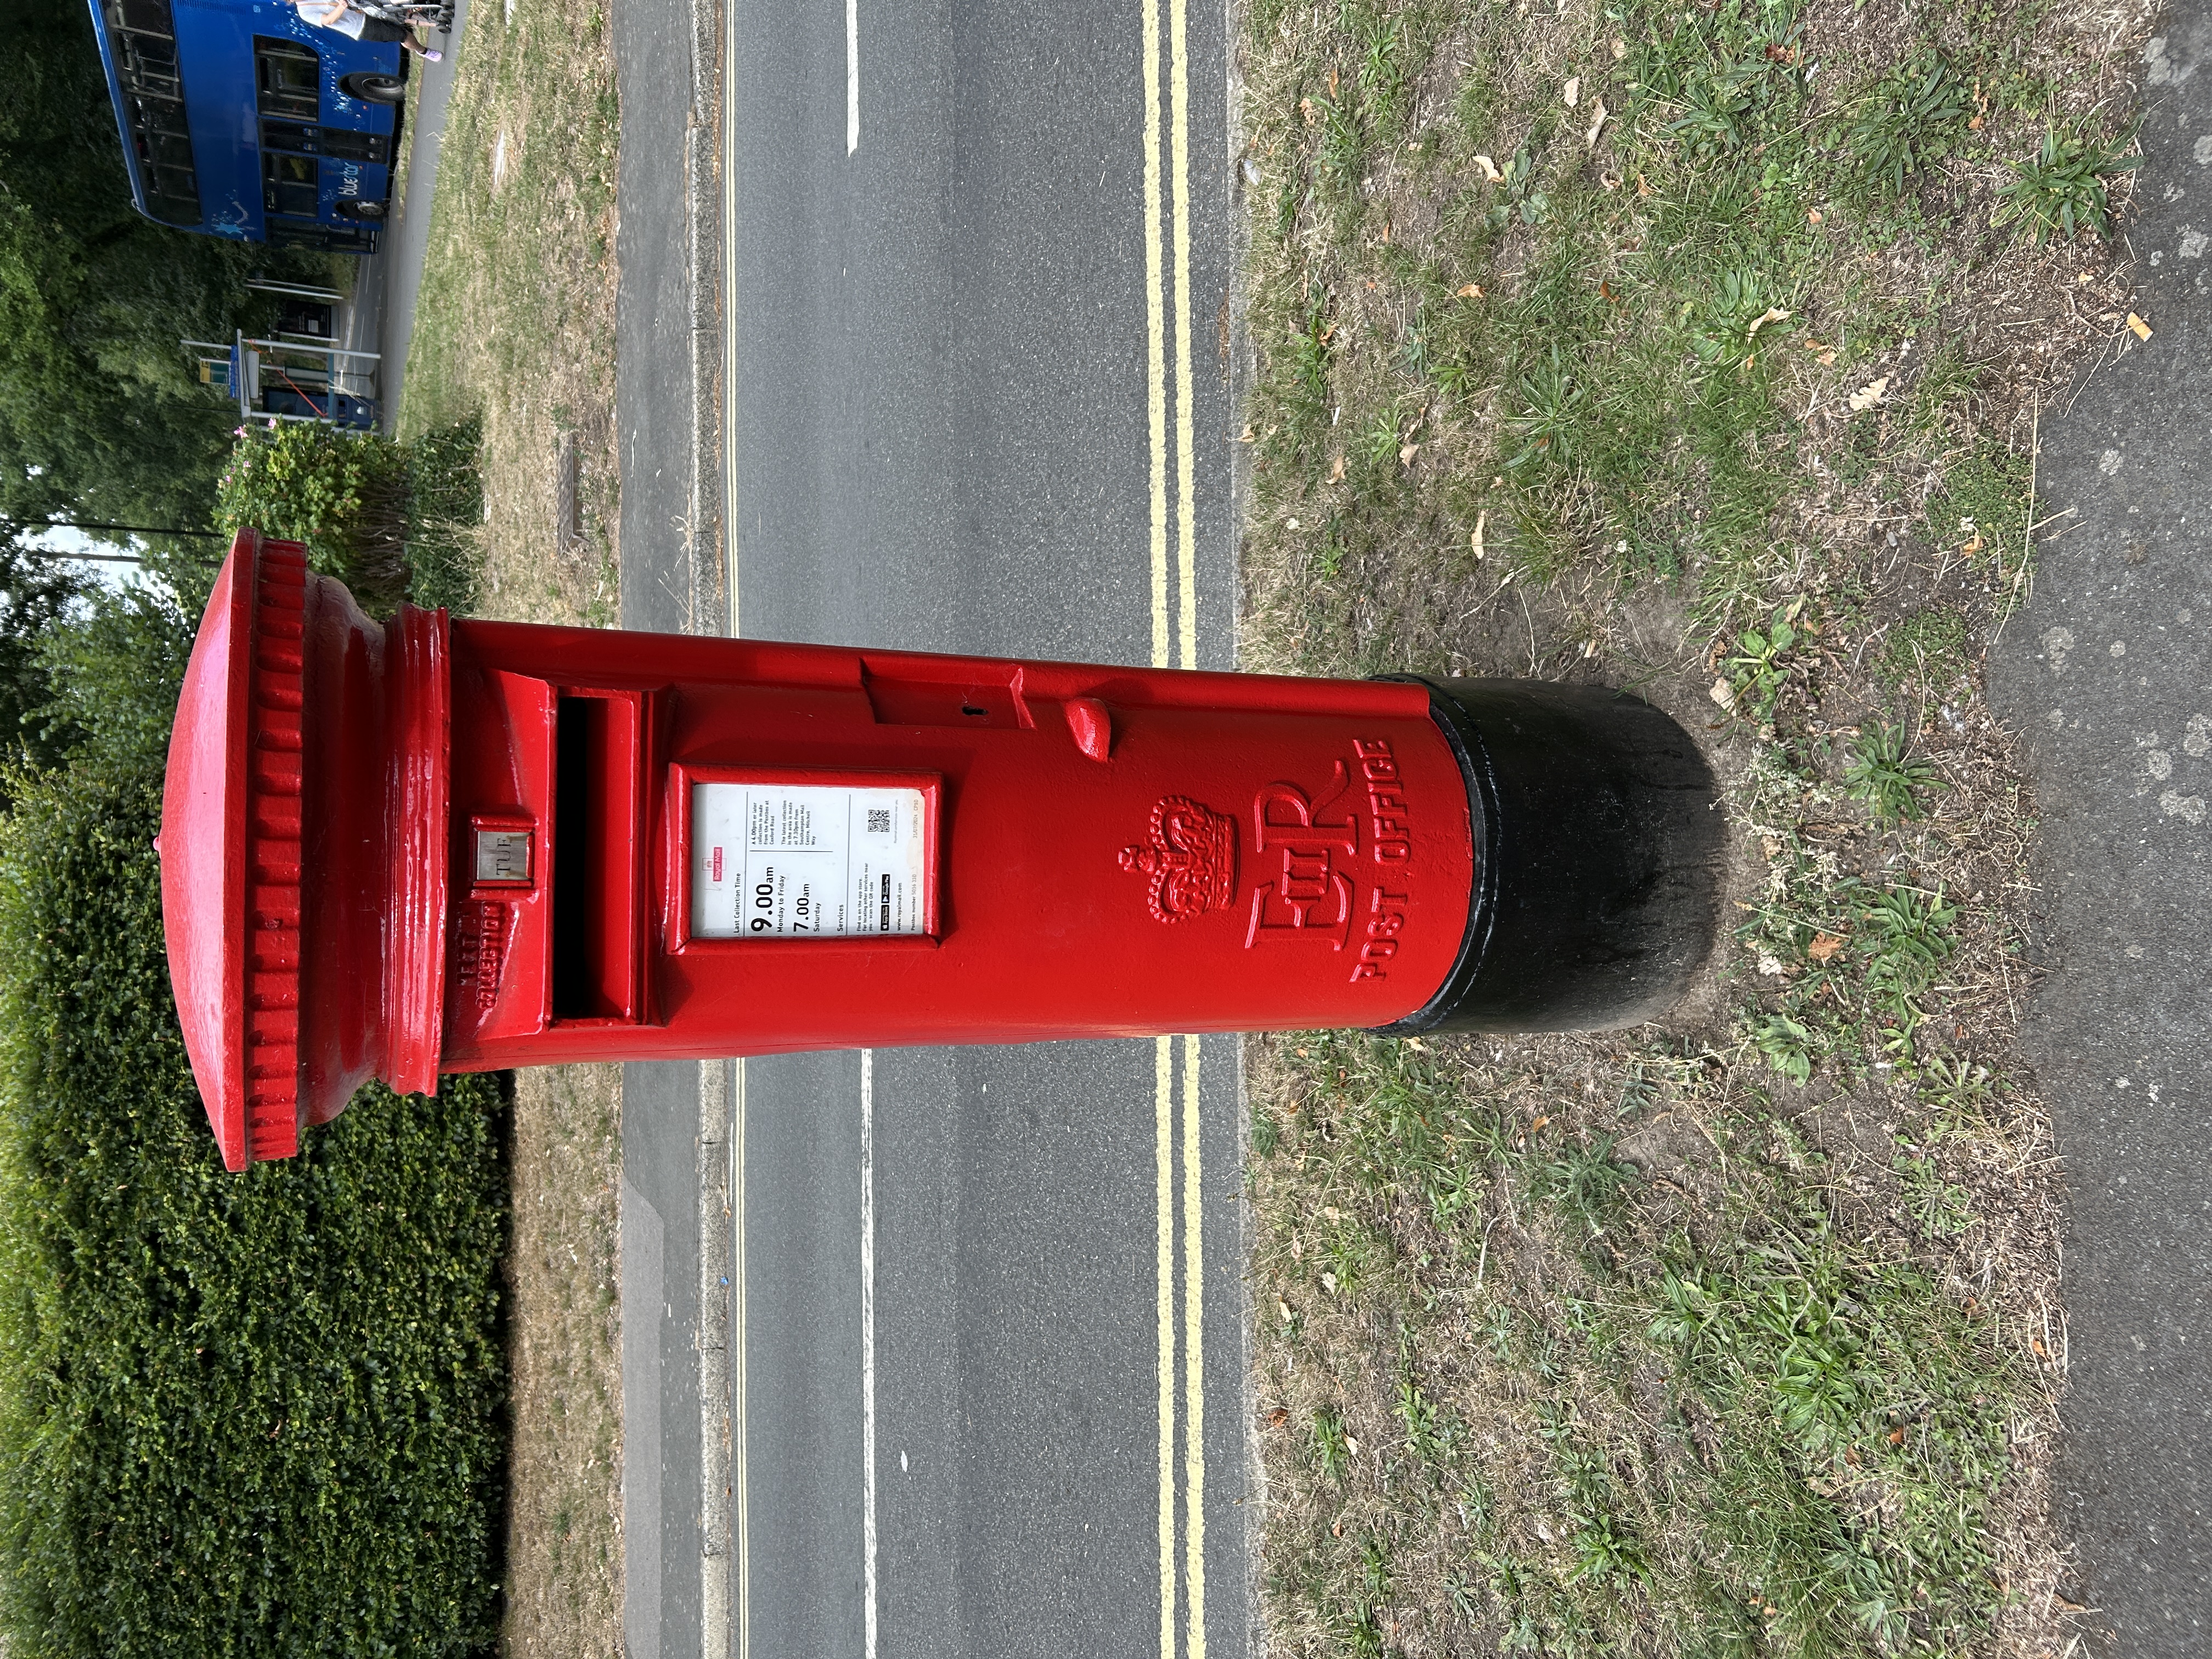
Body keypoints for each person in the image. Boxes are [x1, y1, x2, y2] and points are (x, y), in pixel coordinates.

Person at [292, 0, 442, 61]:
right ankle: (424, 52)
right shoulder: (304, 12)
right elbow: (328, 20)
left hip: (362, 6)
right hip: (361, 26)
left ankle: (435, 14)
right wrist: (342, 6)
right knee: (402, 34)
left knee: (398, 9)